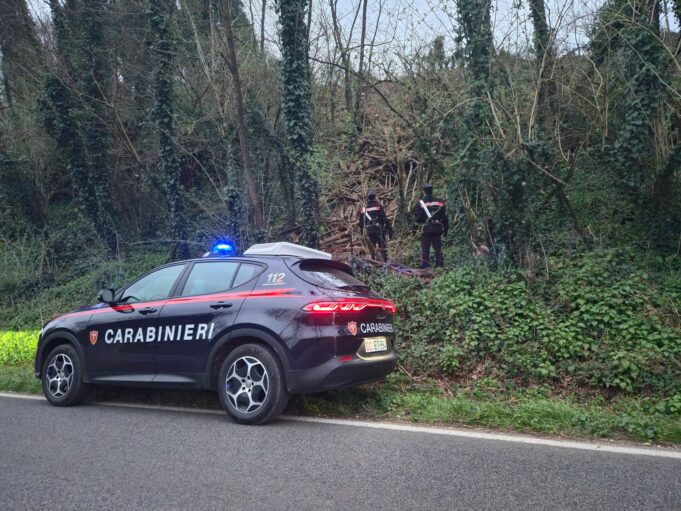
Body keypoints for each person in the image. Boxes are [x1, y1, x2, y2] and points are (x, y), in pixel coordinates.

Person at [413, 183, 449, 268]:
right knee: (438, 248)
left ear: (424, 192)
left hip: (426, 229)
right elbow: (444, 217)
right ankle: (439, 265)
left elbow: (417, 219)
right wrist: (446, 229)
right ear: (432, 191)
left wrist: (414, 231)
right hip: (437, 228)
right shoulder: (440, 202)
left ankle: (425, 266)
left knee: (425, 249)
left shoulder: (420, 203)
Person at [359, 190, 393, 261]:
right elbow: (384, 219)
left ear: (368, 198)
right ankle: (384, 262)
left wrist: (361, 232)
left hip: (370, 231)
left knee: (372, 248)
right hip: (379, 230)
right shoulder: (379, 206)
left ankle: (373, 262)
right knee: (382, 247)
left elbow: (361, 222)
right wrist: (389, 230)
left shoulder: (364, 209)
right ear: (375, 197)